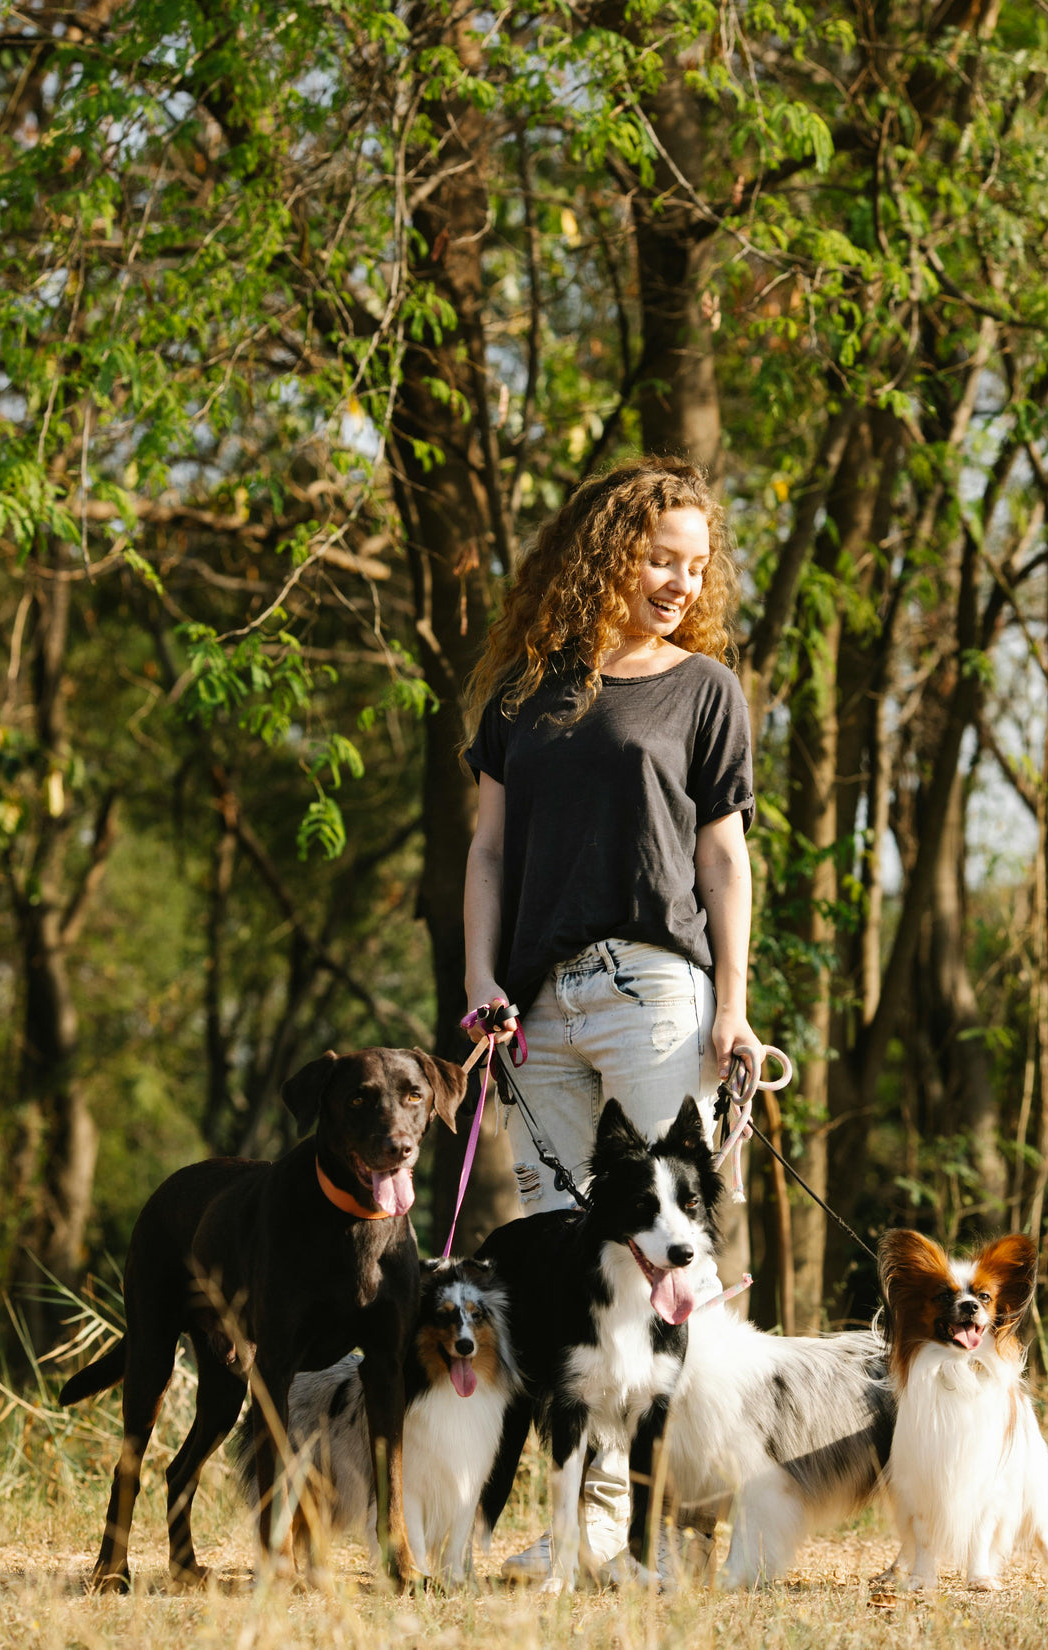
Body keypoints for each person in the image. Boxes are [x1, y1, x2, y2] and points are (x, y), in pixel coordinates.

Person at [460, 456, 759, 1576]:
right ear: (603, 553)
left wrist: (731, 1010)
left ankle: (677, 1524)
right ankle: (579, 1529)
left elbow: (722, 859)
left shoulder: (702, 691)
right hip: (533, 1013)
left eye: (694, 565)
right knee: (563, 1280)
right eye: (656, 558)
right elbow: (488, 852)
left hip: (654, 995)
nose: (679, 581)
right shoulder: (519, 694)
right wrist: (481, 983)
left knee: (669, 1268)